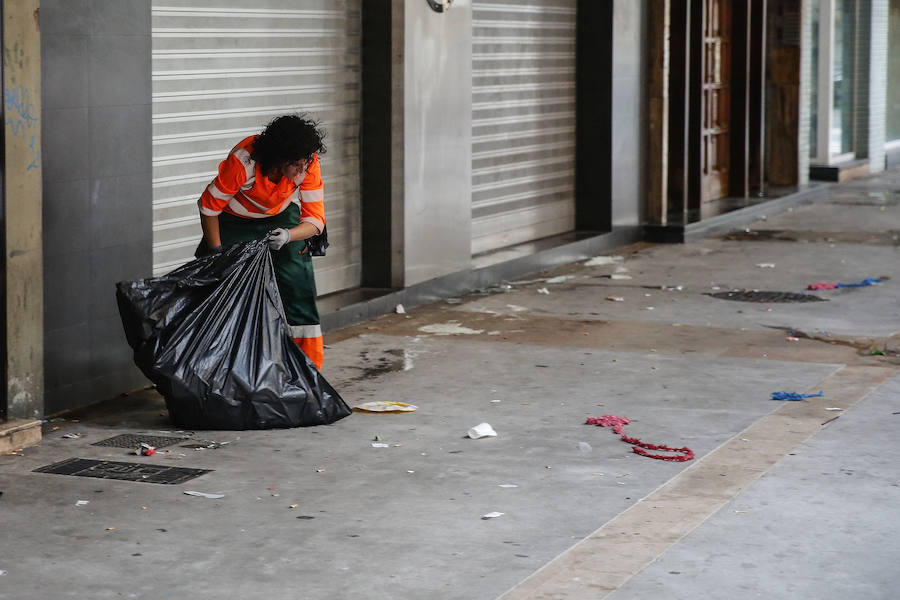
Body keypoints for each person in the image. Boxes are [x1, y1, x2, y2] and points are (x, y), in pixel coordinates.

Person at [197, 114, 327, 370]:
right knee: (217, 289)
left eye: (306, 163)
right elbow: (209, 208)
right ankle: (215, 367)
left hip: (281, 219)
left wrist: (289, 235)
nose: (303, 170)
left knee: (299, 288)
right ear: (279, 160)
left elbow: (315, 220)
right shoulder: (243, 163)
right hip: (233, 222)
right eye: (297, 165)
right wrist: (216, 253)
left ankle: (310, 373)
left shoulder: (307, 163)